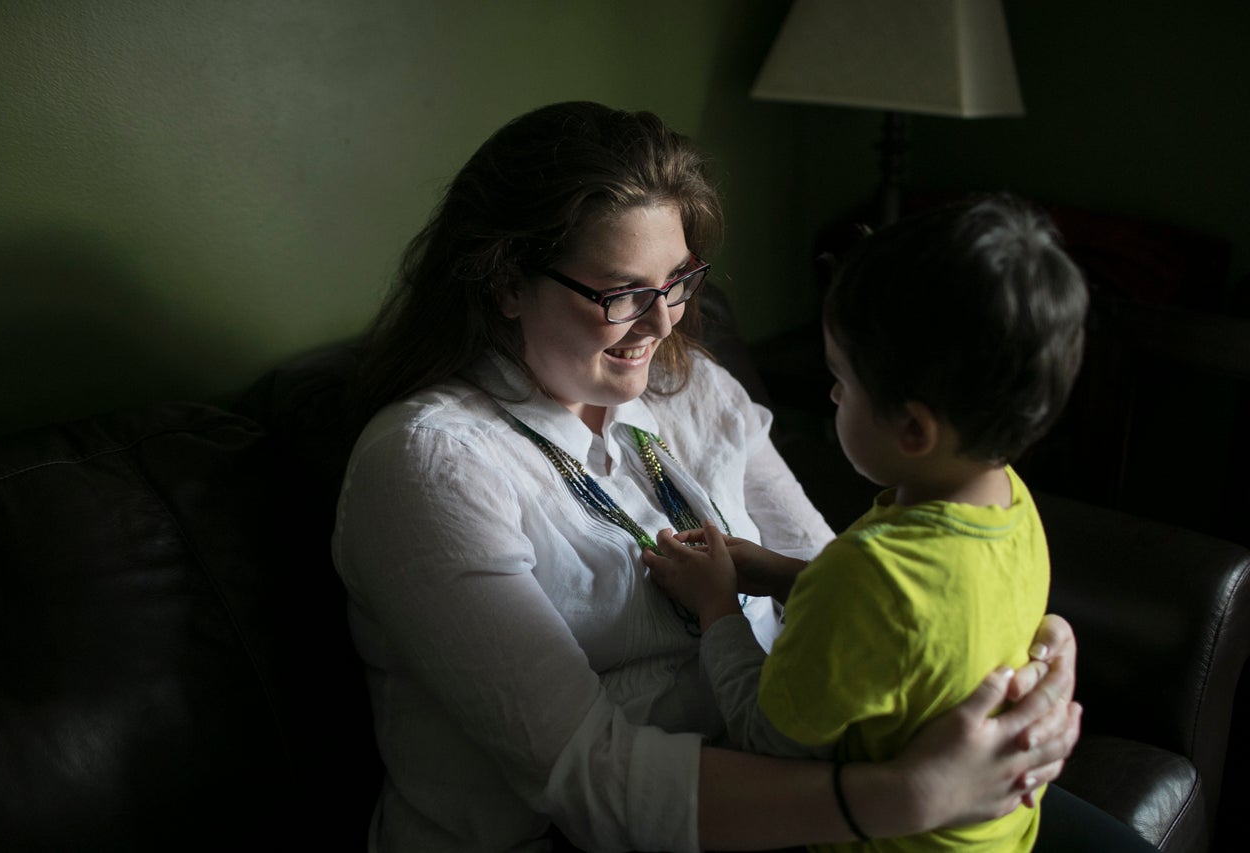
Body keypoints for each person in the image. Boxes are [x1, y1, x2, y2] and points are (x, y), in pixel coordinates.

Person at [332, 101, 1081, 853]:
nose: (663, 326)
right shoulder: (429, 464)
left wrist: (1033, 656)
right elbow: (592, 779)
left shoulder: (689, 384)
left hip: (808, 780)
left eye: (680, 281)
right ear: (506, 283)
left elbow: (852, 586)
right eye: (621, 294)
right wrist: (910, 795)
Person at [645, 195, 1096, 852]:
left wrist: (718, 605)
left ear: (914, 428)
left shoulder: (869, 574)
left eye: (842, 379)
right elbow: (909, 634)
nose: (832, 395)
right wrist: (779, 572)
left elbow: (767, 744)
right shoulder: (1011, 504)